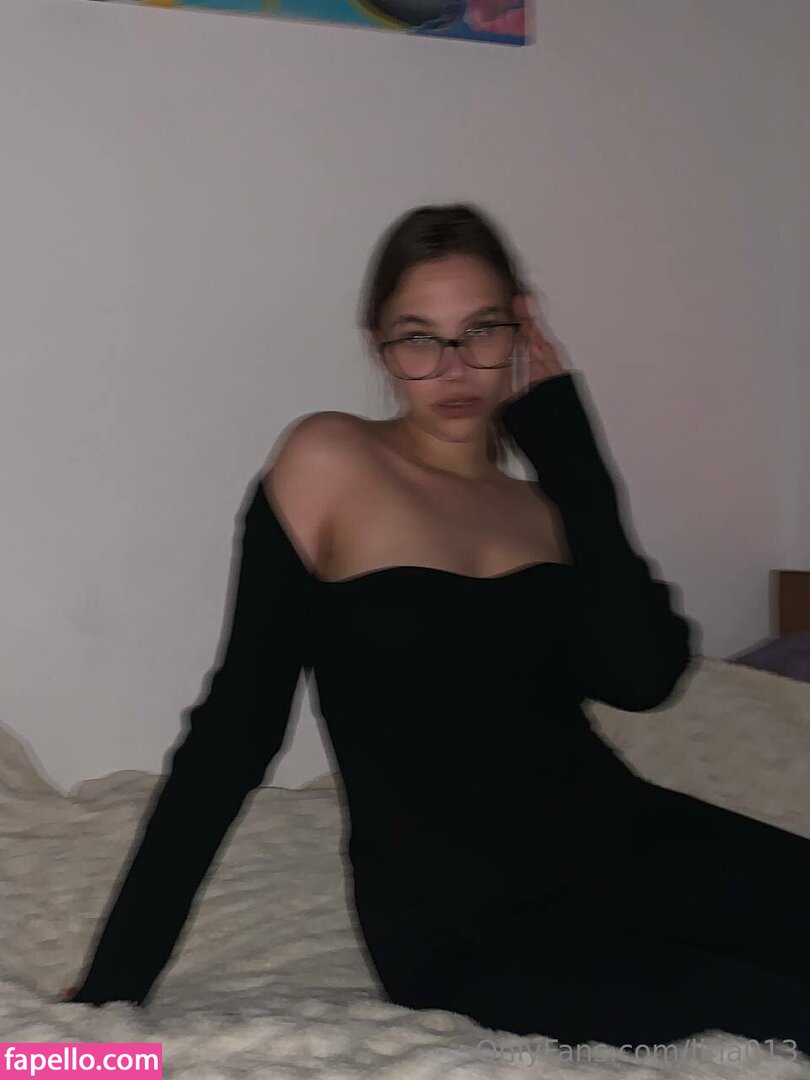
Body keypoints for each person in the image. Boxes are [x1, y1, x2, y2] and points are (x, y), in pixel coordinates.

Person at [62, 203, 810, 1059]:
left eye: (481, 331)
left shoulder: (542, 506)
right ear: (378, 345)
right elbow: (236, 731)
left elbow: (643, 676)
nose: (454, 368)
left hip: (625, 839)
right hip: (465, 922)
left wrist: (569, 450)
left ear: (521, 328)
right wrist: (113, 989)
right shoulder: (330, 462)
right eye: (419, 339)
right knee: (779, 1013)